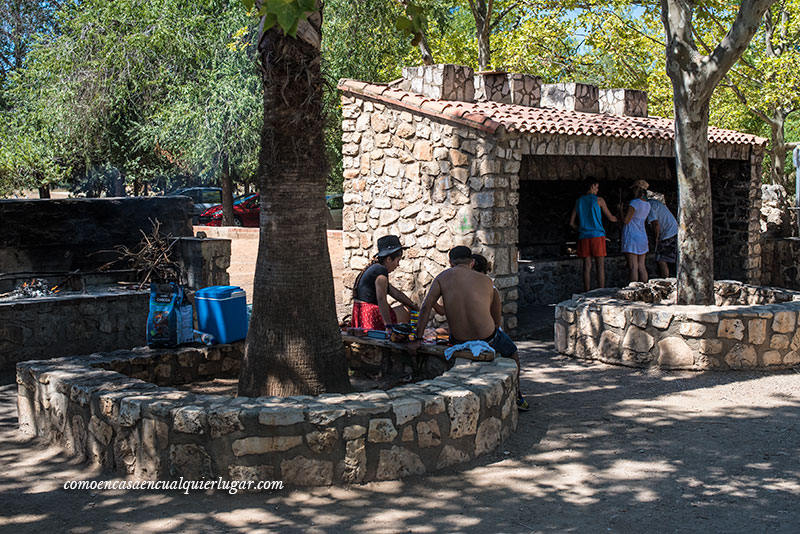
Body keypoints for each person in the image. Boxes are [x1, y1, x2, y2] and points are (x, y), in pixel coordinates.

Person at [410, 246, 529, 411]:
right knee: (512, 352)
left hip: (460, 339)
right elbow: (496, 321)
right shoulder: (487, 282)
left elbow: (425, 308)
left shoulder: (442, 278)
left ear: (450, 262)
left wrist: (417, 339)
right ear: (472, 262)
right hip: (489, 338)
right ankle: (517, 395)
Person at [352, 235, 417, 330]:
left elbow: (394, 292)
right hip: (370, 316)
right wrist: (388, 325)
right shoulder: (381, 271)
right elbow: (381, 299)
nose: (398, 265)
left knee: (410, 307)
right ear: (389, 259)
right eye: (397, 261)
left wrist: (413, 304)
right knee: (407, 310)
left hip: (360, 314)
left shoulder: (374, 268)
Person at [569, 177, 619, 292]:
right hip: (597, 235)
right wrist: (622, 219)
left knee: (587, 265)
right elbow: (611, 218)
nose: (597, 190)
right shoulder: (599, 200)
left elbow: (571, 223)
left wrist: (582, 229)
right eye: (597, 187)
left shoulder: (579, 201)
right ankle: (601, 292)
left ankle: (587, 292)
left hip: (583, 236)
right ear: (592, 186)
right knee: (600, 265)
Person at [621, 180, 651, 283]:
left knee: (633, 267)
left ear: (638, 189)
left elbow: (626, 220)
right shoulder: (647, 204)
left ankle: (634, 290)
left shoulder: (634, 203)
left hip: (632, 236)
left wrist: (620, 211)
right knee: (642, 266)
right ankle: (645, 287)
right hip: (642, 236)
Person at [646, 196, 678, 278]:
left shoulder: (648, 205)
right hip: (673, 231)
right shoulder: (654, 203)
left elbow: (655, 224)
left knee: (661, 259)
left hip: (668, 233)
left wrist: (657, 238)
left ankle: (665, 281)